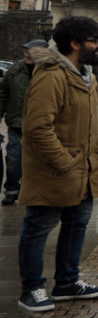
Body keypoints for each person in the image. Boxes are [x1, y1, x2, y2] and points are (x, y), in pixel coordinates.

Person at [17, 16, 98, 312]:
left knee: (77, 224)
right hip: (56, 171)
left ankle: (67, 282)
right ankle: (31, 288)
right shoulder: (52, 76)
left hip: (85, 169)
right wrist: (65, 162)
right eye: (95, 40)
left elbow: (90, 124)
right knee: (39, 227)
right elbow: (37, 128)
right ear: (75, 43)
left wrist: (95, 157)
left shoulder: (87, 75)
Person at [0, 39, 40, 205]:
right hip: (17, 124)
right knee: (14, 159)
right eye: (25, 51)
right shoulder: (16, 70)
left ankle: (31, 191)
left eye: (31, 51)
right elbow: (3, 93)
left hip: (40, 127)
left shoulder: (50, 72)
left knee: (36, 163)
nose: (27, 54)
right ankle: (12, 190)